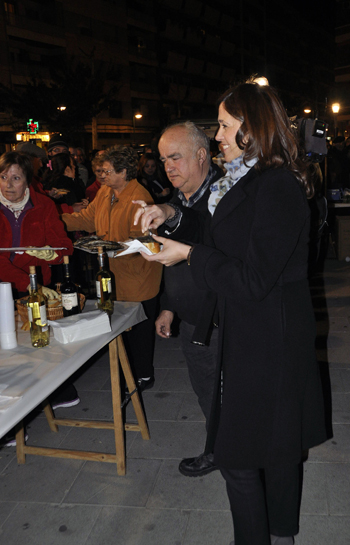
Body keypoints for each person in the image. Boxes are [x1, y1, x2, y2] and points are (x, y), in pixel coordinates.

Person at [134, 81, 327, 545]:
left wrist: (189, 256)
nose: (216, 134)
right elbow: (215, 229)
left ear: (251, 127)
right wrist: (169, 214)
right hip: (249, 331)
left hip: (269, 338)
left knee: (238, 456)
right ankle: (282, 533)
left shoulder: (277, 185)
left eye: (223, 125)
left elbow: (254, 278)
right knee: (278, 450)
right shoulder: (241, 178)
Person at [142, 121, 223, 477]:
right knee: (206, 389)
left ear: (202, 155)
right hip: (192, 318)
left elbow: (198, 228)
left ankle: (231, 452)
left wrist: (170, 214)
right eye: (163, 159)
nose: (168, 166)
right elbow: (174, 260)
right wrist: (168, 307)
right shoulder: (178, 196)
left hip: (225, 317)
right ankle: (219, 446)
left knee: (232, 392)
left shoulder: (224, 193)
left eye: (175, 157)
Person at [61, 146, 163, 390]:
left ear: (124, 172)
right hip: (112, 274)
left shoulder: (140, 197)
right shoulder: (106, 192)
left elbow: (148, 243)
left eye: (106, 171)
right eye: (100, 170)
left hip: (138, 277)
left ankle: (143, 376)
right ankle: (127, 374)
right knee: (119, 327)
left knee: (139, 331)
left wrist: (111, 248)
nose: (101, 176)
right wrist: (54, 220)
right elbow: (86, 218)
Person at [0, 151, 79, 441]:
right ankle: (7, 423)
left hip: (36, 286)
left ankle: (52, 392)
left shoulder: (43, 204)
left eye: (16, 177)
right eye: (3, 176)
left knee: (38, 346)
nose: (8, 184)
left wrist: (53, 254)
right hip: (5, 287)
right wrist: (26, 280)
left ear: (27, 181)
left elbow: (63, 246)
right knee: (6, 354)